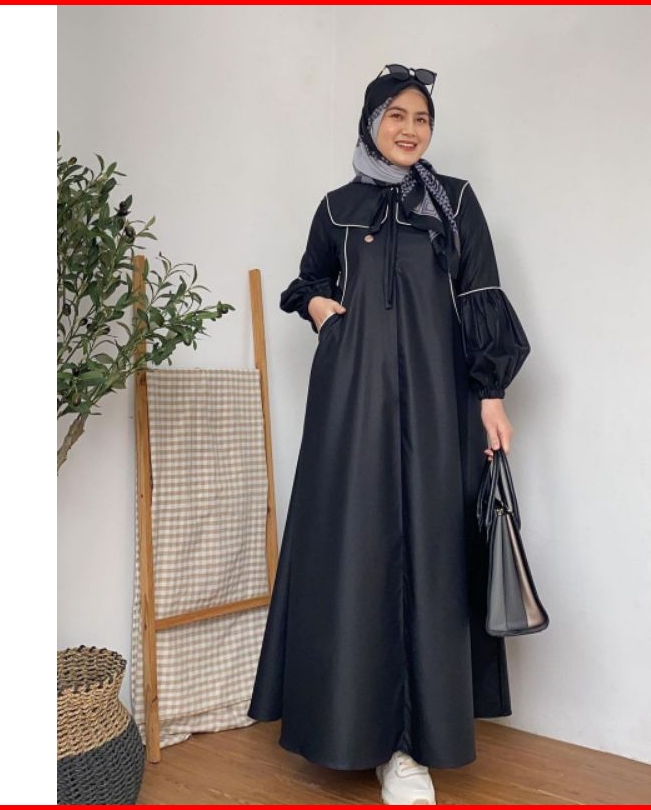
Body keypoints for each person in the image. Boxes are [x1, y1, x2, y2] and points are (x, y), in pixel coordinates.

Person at [248, 64, 530, 805]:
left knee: (429, 554)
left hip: (437, 404)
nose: (409, 129)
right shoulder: (337, 207)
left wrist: (491, 395)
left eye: (421, 118)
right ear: (371, 122)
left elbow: (480, 292)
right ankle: (352, 728)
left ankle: (410, 746)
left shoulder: (453, 201)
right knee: (357, 551)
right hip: (351, 403)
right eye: (396, 115)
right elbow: (309, 279)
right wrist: (320, 311)